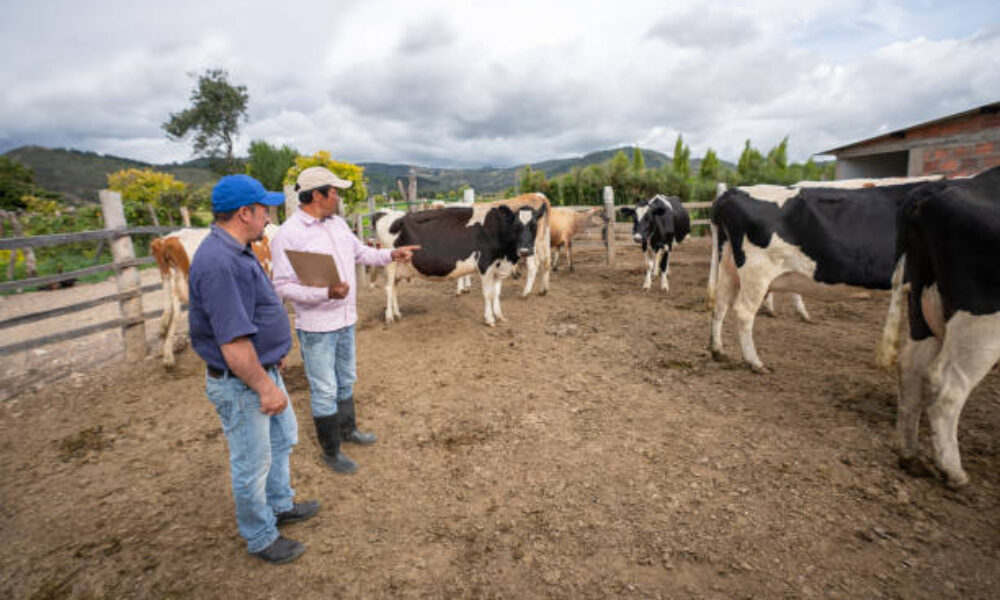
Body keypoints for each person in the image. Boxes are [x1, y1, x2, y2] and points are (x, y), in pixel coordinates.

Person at [188, 174, 319, 565]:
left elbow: (248, 317)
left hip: (260, 370)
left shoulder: (236, 250)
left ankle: (279, 505)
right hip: (244, 382)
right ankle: (260, 535)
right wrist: (265, 387)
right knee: (252, 461)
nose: (268, 215)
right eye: (264, 209)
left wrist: (272, 351)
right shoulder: (220, 263)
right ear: (244, 213)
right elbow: (232, 343)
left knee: (281, 442)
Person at [270, 166, 417, 474]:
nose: (338, 196)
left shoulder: (337, 224)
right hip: (318, 326)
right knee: (324, 388)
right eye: (334, 191)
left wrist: (391, 255)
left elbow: (361, 253)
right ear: (317, 195)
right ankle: (331, 450)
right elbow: (282, 286)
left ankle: (348, 430)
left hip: (346, 318)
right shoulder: (288, 234)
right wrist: (326, 293)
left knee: (346, 378)